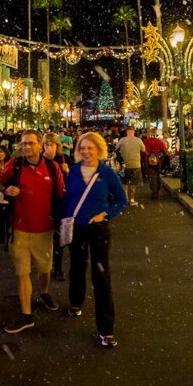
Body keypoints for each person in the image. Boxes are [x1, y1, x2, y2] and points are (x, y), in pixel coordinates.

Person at [63, 131, 128, 348]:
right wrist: (63, 221)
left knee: (101, 276)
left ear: (99, 149)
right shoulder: (73, 172)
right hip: (77, 227)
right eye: (82, 148)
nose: (86, 152)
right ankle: (75, 302)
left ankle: (106, 329)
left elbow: (121, 200)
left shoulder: (107, 173)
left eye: (90, 148)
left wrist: (106, 214)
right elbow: (67, 199)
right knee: (77, 267)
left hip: (98, 229)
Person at [0, 129, 65, 334]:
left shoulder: (52, 168)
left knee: (44, 268)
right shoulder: (15, 165)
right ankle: (26, 314)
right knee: (22, 272)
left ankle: (44, 291)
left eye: (31, 143)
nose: (27, 147)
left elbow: (61, 193)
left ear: (40, 145)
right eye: (24, 143)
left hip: (44, 229)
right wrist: (5, 190)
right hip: (20, 229)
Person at [43, 133, 71, 280]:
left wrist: (67, 171)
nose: (49, 148)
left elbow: (72, 181)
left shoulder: (64, 159)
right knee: (48, 238)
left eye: (52, 145)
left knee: (61, 240)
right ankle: (49, 267)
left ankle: (58, 267)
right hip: (47, 203)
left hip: (62, 203)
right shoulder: (41, 161)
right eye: (46, 145)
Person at [114, 126, 145, 207]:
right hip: (136, 165)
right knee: (133, 183)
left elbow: (115, 148)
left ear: (126, 132)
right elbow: (144, 149)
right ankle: (132, 200)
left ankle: (125, 199)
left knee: (125, 183)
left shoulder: (122, 140)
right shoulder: (138, 140)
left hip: (125, 165)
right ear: (134, 131)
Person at [143, 128, 169, 200]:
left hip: (148, 161)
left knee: (152, 177)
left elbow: (143, 151)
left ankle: (154, 192)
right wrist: (160, 158)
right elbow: (164, 151)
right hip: (158, 161)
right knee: (157, 175)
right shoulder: (160, 142)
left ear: (150, 133)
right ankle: (157, 190)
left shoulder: (146, 141)